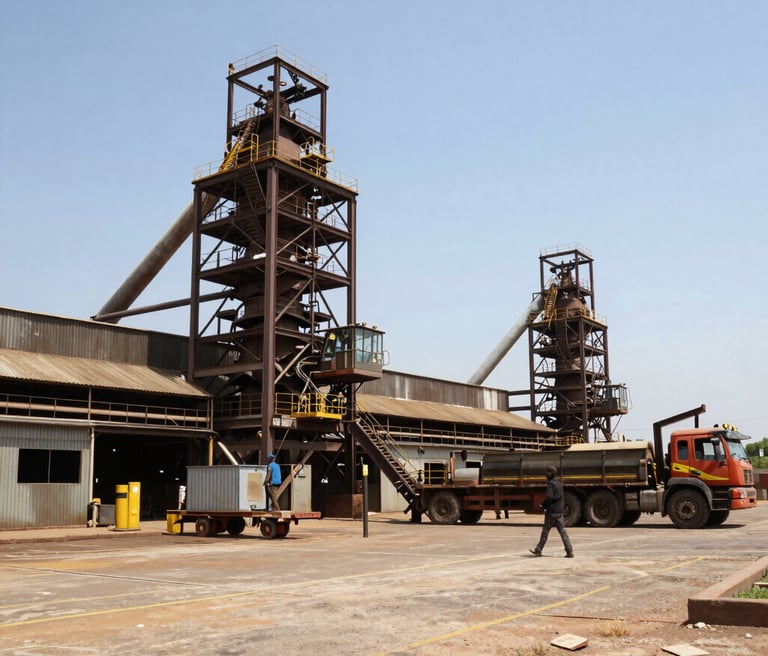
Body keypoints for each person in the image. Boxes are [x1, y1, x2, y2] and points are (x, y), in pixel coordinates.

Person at [529, 466, 574, 558]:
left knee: (545, 531)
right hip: (560, 512)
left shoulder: (550, 484)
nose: (545, 474)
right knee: (562, 532)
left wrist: (543, 505)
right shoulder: (559, 484)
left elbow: (550, 497)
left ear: (551, 473)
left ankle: (538, 550)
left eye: (547, 472)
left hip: (552, 512)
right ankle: (569, 551)